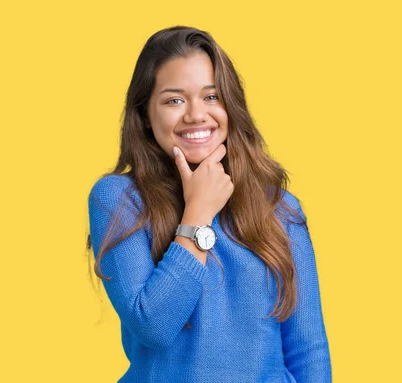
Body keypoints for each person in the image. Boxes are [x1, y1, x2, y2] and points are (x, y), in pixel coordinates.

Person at [85, 26, 332, 382]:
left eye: (211, 96)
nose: (196, 115)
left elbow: (308, 350)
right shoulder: (119, 199)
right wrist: (198, 214)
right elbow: (152, 325)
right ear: (144, 114)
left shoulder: (280, 209)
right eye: (174, 100)